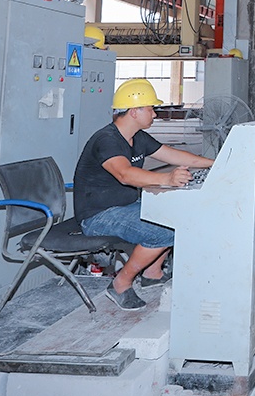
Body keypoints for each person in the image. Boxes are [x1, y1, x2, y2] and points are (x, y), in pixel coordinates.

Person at [74, 78, 213, 310]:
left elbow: (175, 155)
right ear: (134, 111)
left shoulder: (137, 137)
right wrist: (167, 179)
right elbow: (125, 174)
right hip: (98, 216)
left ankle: (152, 273)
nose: (154, 114)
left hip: (124, 206)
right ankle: (120, 283)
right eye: (150, 108)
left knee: (177, 217)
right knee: (165, 231)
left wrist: (217, 163)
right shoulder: (107, 140)